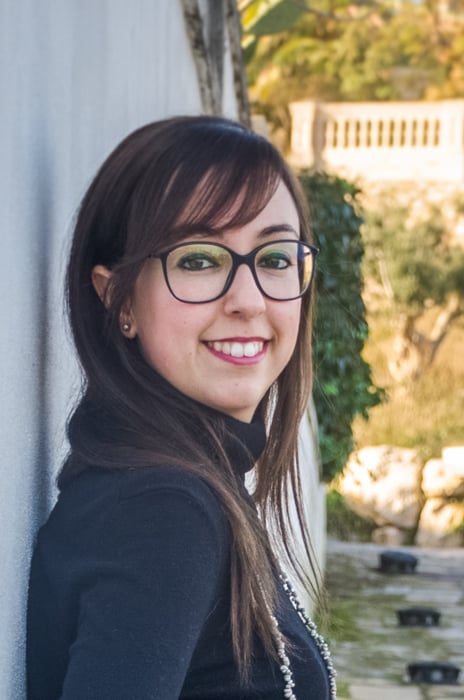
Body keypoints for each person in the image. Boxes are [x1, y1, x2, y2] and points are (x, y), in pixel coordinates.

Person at [26, 115, 336, 699]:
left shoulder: (185, 482)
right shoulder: (164, 510)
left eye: (274, 258)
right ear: (118, 296)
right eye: (199, 259)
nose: (248, 300)